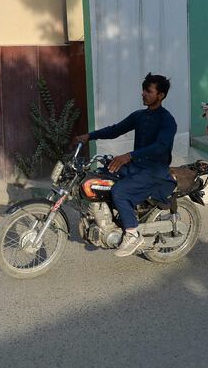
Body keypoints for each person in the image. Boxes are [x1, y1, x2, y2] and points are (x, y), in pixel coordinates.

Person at [73, 73, 177, 257]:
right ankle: (110, 219)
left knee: (120, 191)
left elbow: (160, 147)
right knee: (102, 174)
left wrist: (129, 155)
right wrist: (89, 136)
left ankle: (132, 234)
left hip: (155, 171)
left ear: (160, 95)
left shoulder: (167, 120)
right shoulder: (140, 116)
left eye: (149, 91)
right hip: (137, 166)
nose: (143, 94)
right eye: (143, 90)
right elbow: (115, 130)